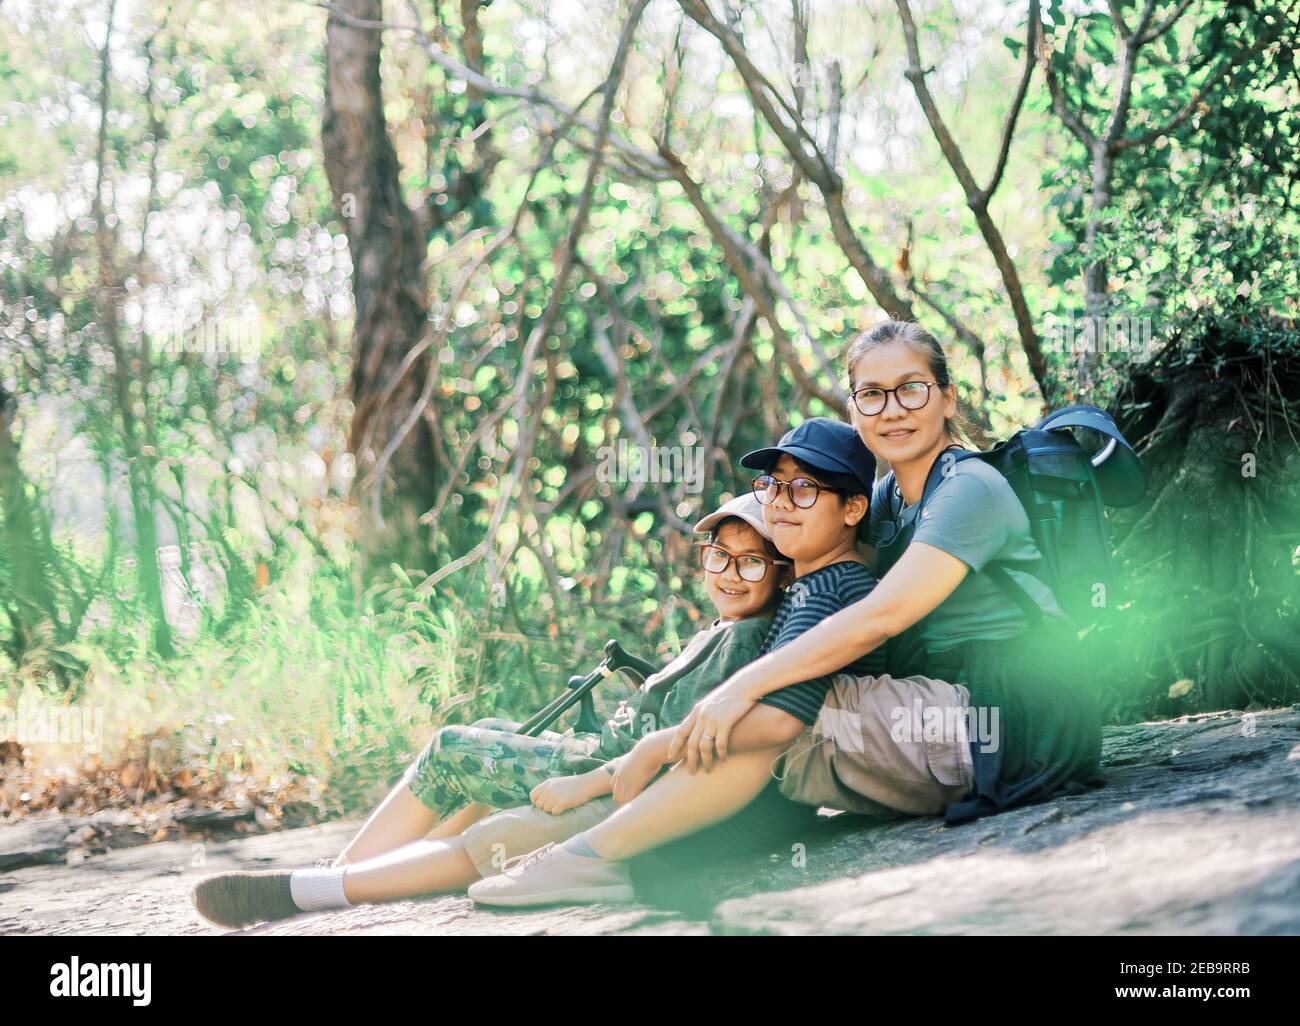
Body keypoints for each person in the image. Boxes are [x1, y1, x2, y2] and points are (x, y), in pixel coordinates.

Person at [468, 321, 1103, 908]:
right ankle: (619, 849)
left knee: (785, 718)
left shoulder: (969, 489)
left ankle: (597, 857)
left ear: (947, 397)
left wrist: (723, 697)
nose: (893, 410)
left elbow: (878, 617)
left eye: (911, 389)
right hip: (944, 703)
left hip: (1018, 719)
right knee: (776, 707)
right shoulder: (887, 499)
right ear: (854, 411)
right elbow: (800, 530)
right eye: (872, 395)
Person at [188, 493, 791, 928]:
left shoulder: (743, 640)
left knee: (454, 747)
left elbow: (670, 744)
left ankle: (344, 873)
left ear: (780, 572)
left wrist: (589, 782)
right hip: (602, 754)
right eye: (720, 556)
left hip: (604, 765)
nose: (731, 574)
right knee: (494, 733)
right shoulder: (729, 627)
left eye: (752, 562)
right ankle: (375, 871)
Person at [467, 418, 891, 907]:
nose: (779, 501)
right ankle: (581, 857)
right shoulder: (816, 585)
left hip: (756, 807)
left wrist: (653, 748)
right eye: (773, 485)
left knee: (500, 834)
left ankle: (586, 858)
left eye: (802, 488)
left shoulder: (829, 589)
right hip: (744, 799)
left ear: (854, 507)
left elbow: (779, 722)